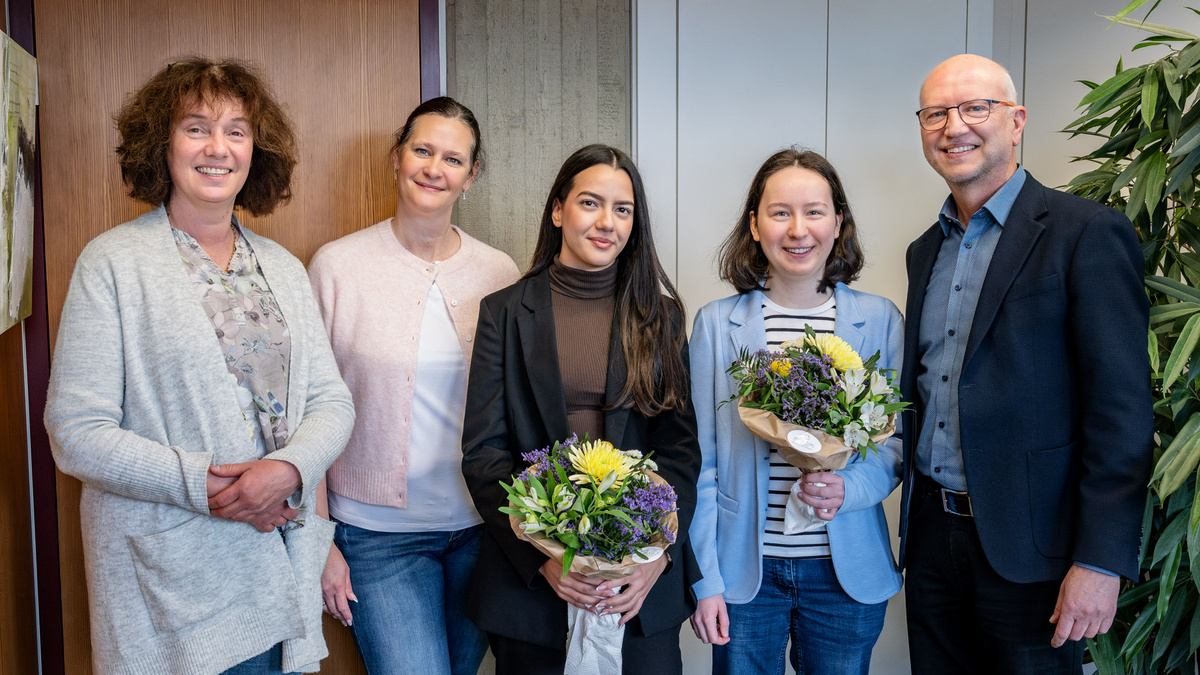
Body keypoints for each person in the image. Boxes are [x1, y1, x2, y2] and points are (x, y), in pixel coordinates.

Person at [43, 57, 355, 674]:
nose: (218, 148)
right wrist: (217, 487)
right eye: (196, 128)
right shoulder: (112, 263)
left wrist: (287, 470)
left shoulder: (283, 268)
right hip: (177, 584)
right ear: (162, 145)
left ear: (256, 151)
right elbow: (76, 432)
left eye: (236, 131)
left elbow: (331, 401)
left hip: (282, 567)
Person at [899, 53, 1154, 673]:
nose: (954, 126)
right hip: (932, 539)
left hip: (1038, 550)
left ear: (1015, 122)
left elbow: (1120, 411)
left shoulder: (1086, 232)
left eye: (974, 108)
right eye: (936, 113)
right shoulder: (924, 250)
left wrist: (1100, 560)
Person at [460, 144, 702, 674]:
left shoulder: (660, 318)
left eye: (623, 209)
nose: (607, 222)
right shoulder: (504, 312)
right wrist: (542, 558)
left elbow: (680, 449)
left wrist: (656, 557)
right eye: (590, 203)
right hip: (533, 587)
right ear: (557, 210)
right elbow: (484, 453)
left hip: (638, 590)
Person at [307, 96, 519, 675]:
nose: (434, 168)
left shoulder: (499, 272)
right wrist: (319, 541)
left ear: (471, 176)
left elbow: (516, 406)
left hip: (482, 531)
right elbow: (308, 412)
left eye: (453, 159)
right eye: (422, 150)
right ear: (397, 157)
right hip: (376, 537)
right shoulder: (336, 267)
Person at [687, 148, 903, 674]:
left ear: (838, 222)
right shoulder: (716, 325)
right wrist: (705, 580)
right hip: (743, 576)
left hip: (844, 577)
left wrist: (848, 488)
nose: (797, 230)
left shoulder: (879, 319)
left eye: (814, 212)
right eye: (780, 212)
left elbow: (895, 443)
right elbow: (699, 461)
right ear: (754, 225)